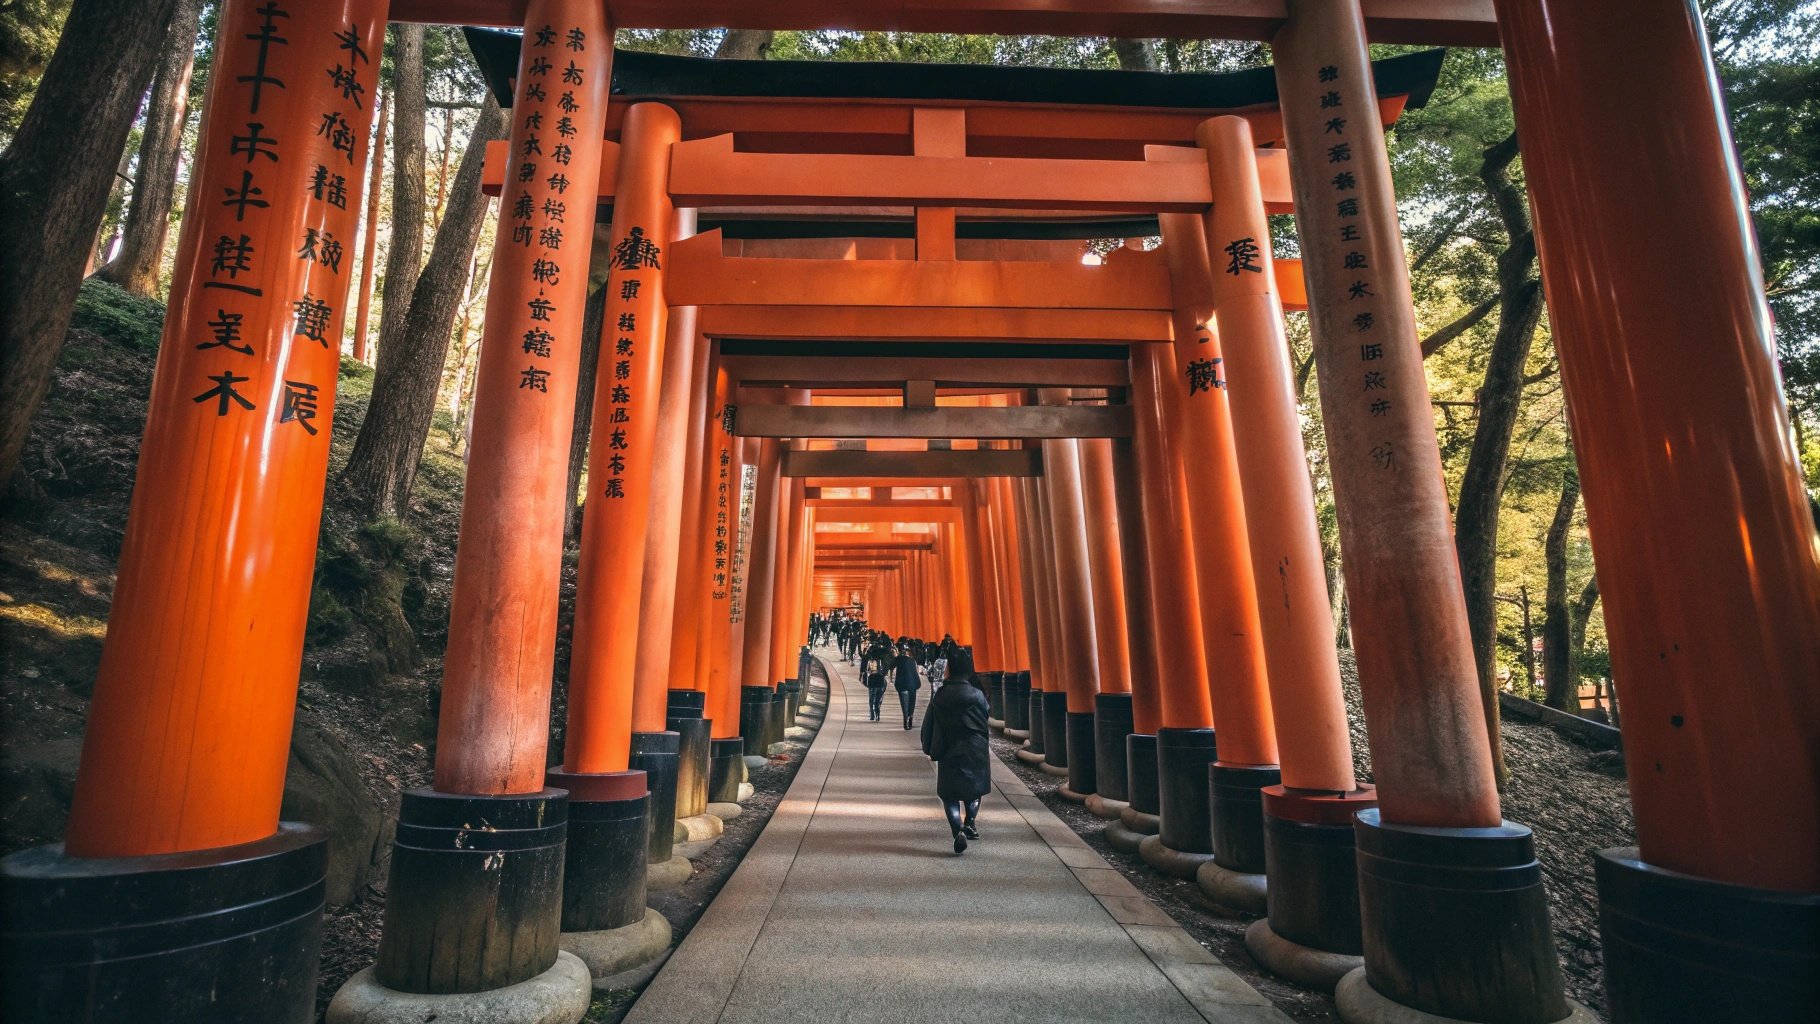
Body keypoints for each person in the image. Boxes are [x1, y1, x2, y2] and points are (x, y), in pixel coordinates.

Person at [921, 649, 990, 854]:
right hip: (975, 748)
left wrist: (928, 744)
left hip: (950, 748)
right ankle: (970, 821)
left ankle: (957, 829)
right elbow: (985, 715)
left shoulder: (941, 696)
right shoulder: (977, 695)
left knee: (949, 795)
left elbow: (931, 722)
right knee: (974, 790)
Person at [893, 641, 922, 730]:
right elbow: (915, 673)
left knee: (904, 703)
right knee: (911, 703)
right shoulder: (912, 660)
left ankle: (905, 719)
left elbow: (891, 665)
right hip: (913, 684)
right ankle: (910, 718)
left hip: (901, 684)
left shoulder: (898, 659)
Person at [864, 631, 892, 721]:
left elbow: (864, 660)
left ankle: (872, 714)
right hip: (881, 678)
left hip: (872, 678)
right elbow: (890, 664)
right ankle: (877, 714)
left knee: (871, 697)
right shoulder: (886, 655)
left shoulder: (871, 653)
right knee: (879, 698)